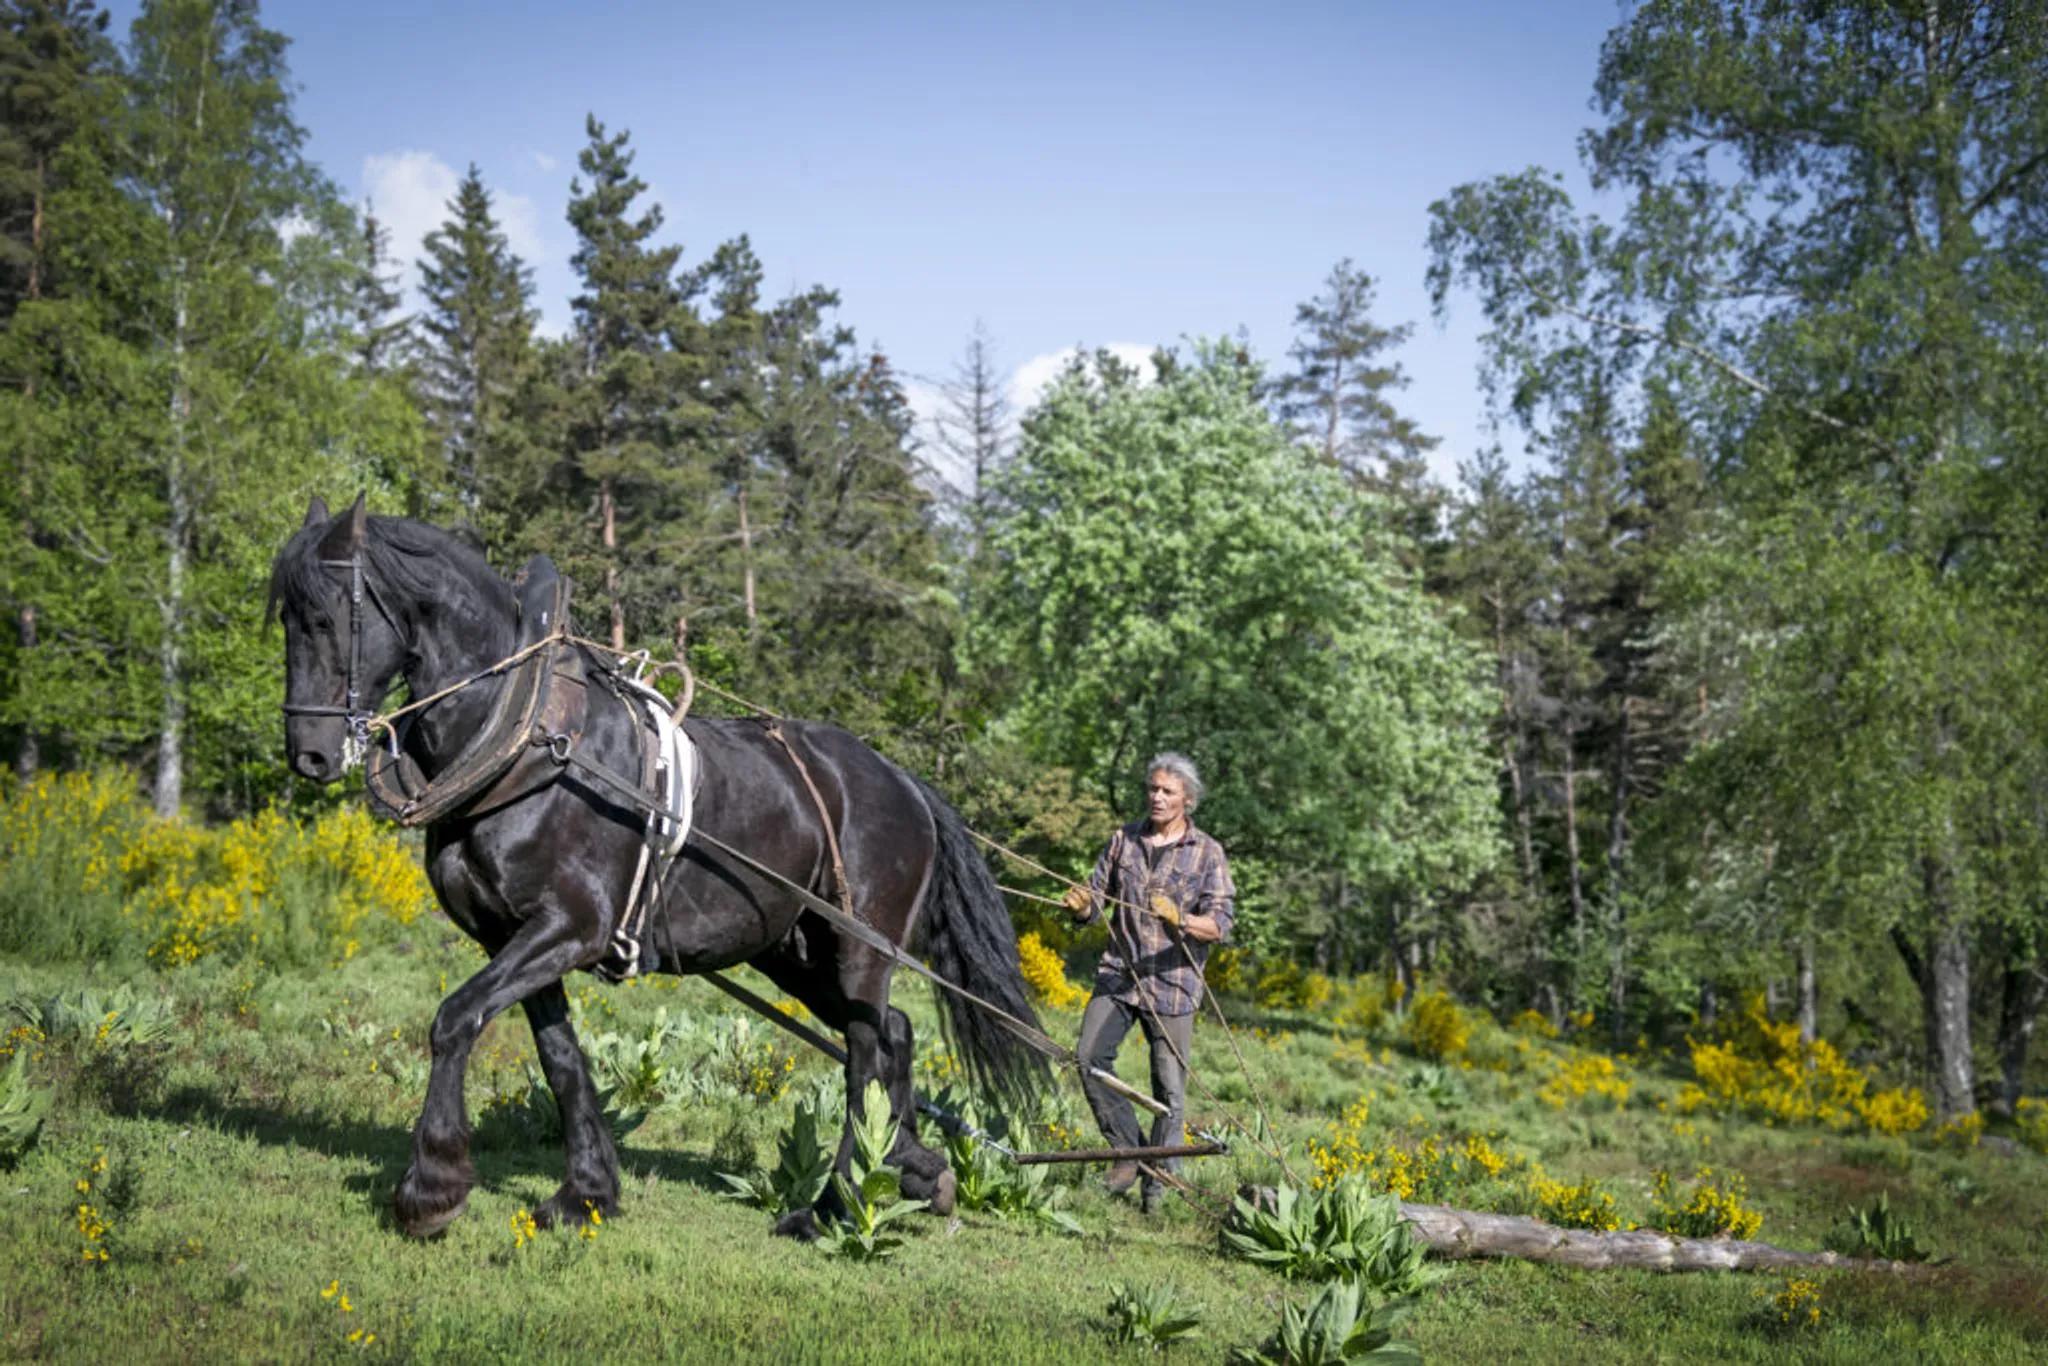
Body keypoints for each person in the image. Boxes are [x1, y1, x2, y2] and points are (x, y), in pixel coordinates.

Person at [1062, 752, 1234, 1212]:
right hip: (1119, 974)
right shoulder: (1124, 840)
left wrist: (1183, 918)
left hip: (1173, 985)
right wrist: (1081, 907)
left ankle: (1157, 1190)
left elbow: (1221, 924)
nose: (1157, 797)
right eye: (1153, 789)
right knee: (1088, 1059)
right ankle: (1127, 1151)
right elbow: (1096, 900)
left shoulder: (1207, 852)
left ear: (1188, 800)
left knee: (1168, 1090)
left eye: (1168, 792)